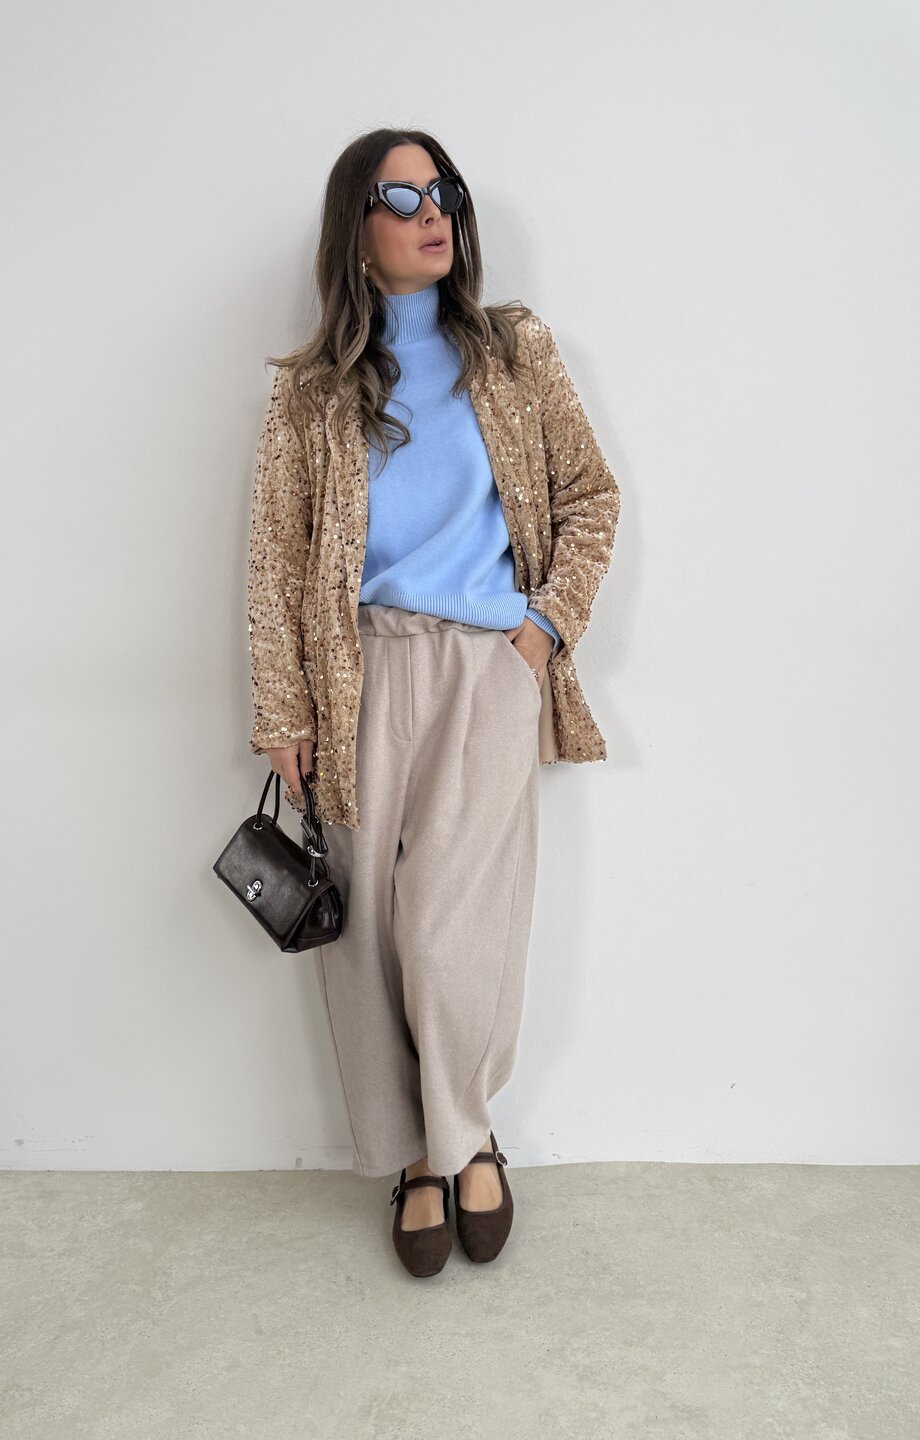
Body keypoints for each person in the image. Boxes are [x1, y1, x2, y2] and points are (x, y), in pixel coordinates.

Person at [246, 127, 621, 1276]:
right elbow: (275, 556)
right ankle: (416, 1157)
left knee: (452, 931)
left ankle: (468, 1137)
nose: (432, 213)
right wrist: (285, 711)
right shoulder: (311, 392)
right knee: (365, 936)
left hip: (487, 668)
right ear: (354, 230)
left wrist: (541, 632)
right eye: (400, 197)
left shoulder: (513, 351)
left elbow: (590, 498)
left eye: (442, 192)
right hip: (354, 671)